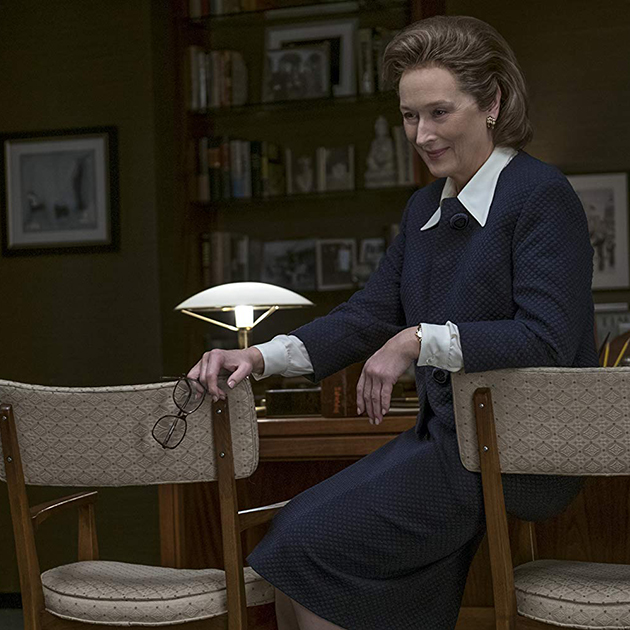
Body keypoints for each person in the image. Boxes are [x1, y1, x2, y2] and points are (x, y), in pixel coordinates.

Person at [187, 15, 598, 630]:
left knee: (303, 548)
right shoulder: (425, 205)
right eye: (409, 116)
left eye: (439, 113)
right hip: (446, 443)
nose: (422, 135)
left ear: (492, 102)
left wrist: (416, 340)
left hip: (511, 453)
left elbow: (548, 339)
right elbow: (368, 315)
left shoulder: (540, 194)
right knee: (289, 542)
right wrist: (258, 357)